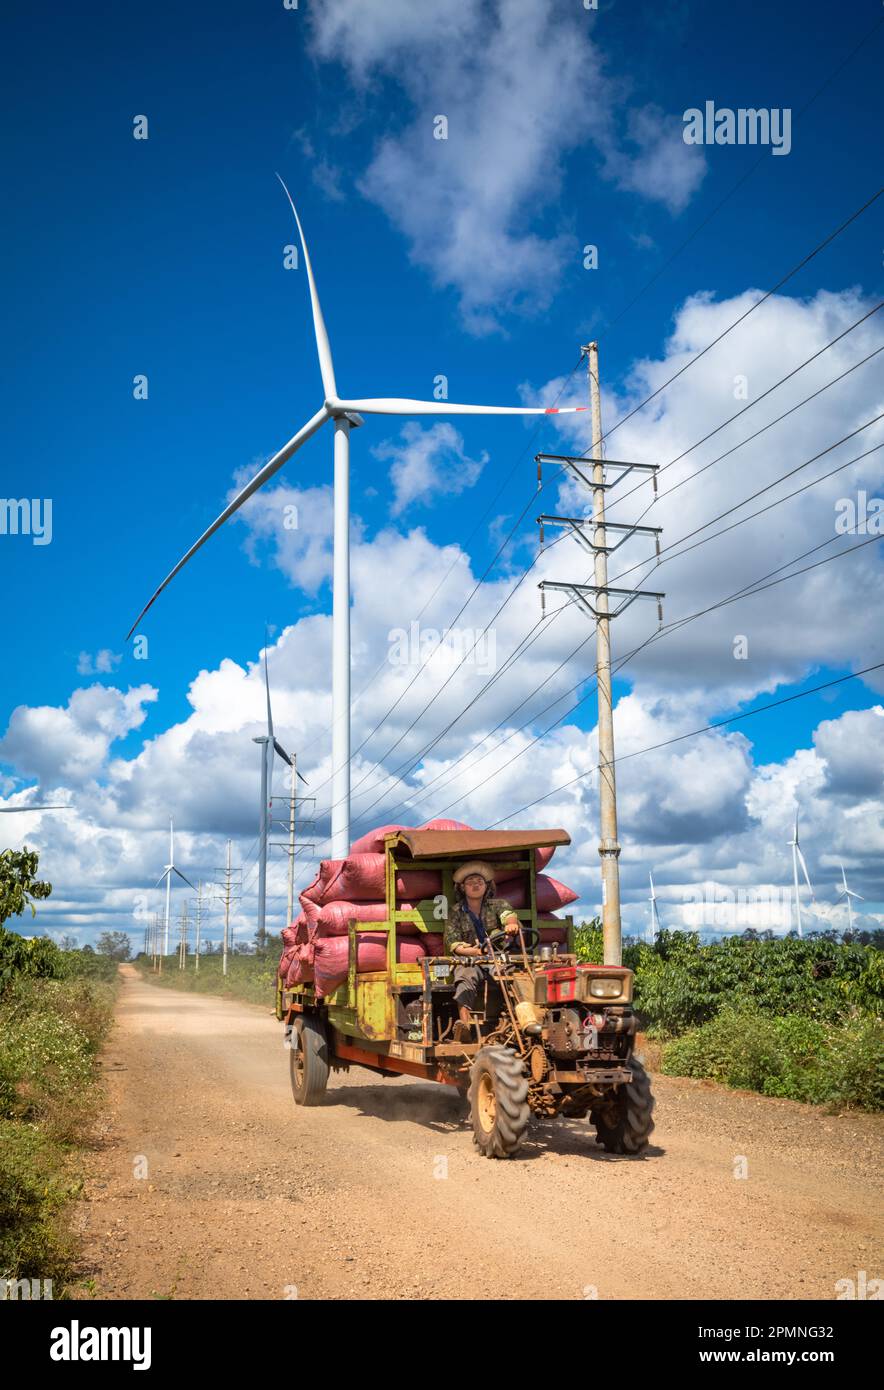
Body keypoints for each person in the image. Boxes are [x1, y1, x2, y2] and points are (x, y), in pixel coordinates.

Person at [443, 861, 520, 1038]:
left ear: (487, 886)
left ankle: (517, 1019)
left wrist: (511, 925)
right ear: (462, 888)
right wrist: (477, 952)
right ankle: (464, 1025)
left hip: (497, 957)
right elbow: (454, 944)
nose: (476, 885)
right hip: (472, 959)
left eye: (479, 881)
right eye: (470, 882)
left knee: (508, 973)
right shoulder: (455, 912)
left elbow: (509, 916)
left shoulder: (498, 905)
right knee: (465, 974)